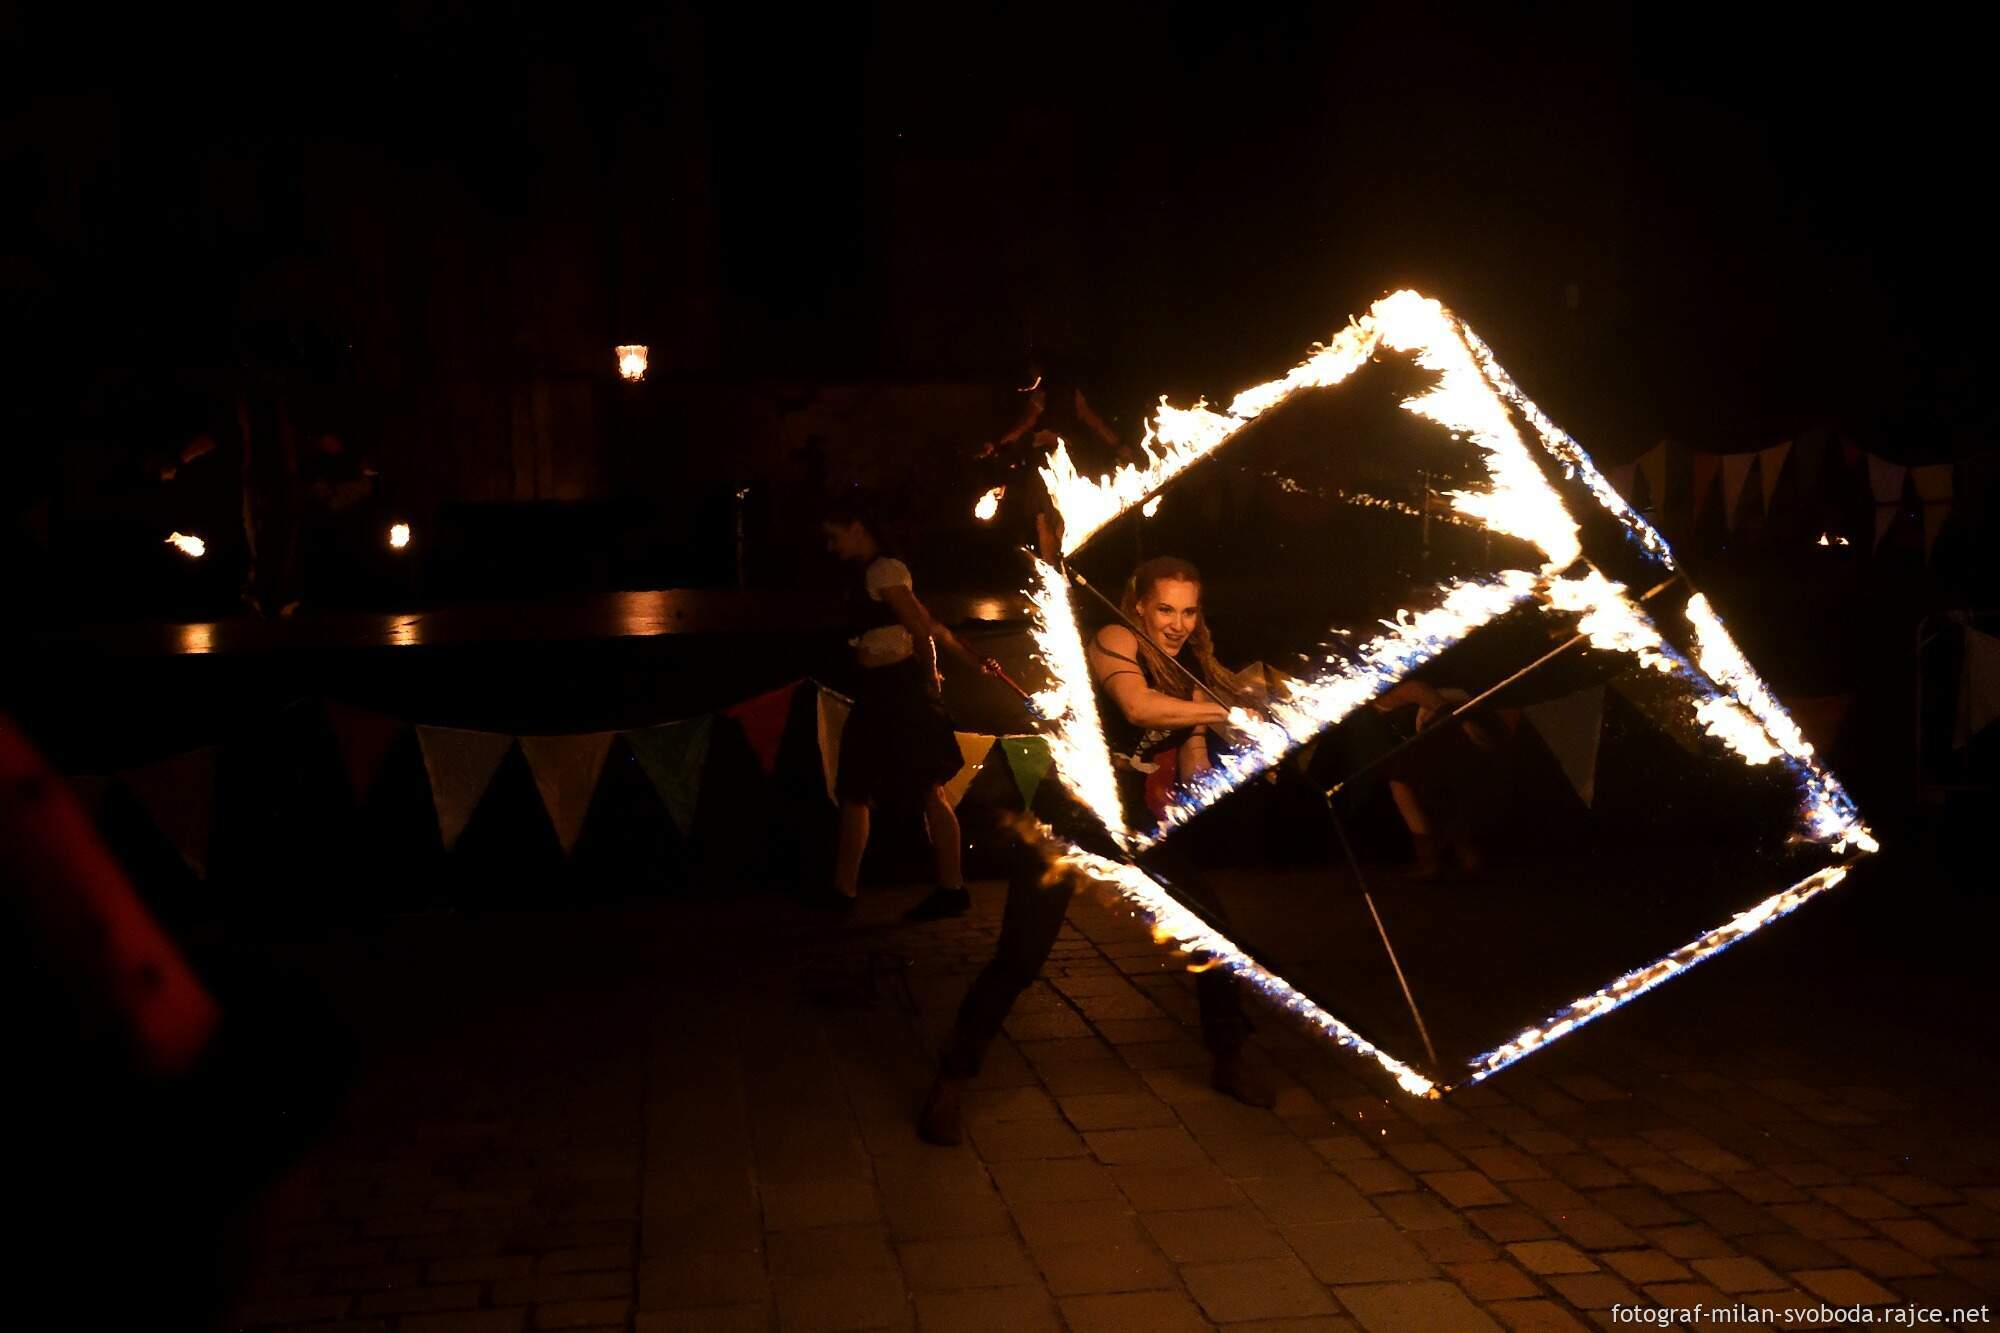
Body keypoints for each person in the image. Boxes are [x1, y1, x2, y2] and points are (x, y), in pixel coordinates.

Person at [917, 556, 1274, 1146]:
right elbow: (1137, 708)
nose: (1178, 623)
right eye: (1165, 609)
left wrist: (1225, 771)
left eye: (1188, 611)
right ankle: (952, 1079)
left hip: (1131, 824)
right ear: (1139, 605)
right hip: (1069, 816)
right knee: (1020, 958)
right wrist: (1228, 709)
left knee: (1214, 931)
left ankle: (1230, 1054)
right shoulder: (1115, 638)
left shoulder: (1191, 670)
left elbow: (1190, 755)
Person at [820, 495, 1004, 917]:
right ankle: (844, 889)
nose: (831, 547)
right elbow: (933, 625)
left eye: (834, 537)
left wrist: (928, 679)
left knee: (922, 790)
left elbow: (922, 630)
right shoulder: (877, 573)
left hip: (897, 693)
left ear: (857, 528)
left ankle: (951, 888)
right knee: (856, 788)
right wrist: (968, 658)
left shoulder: (883, 570)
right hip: (880, 692)